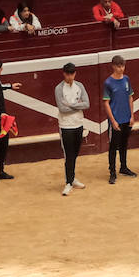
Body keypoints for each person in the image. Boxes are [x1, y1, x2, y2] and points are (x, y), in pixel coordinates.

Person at [54, 61, 88, 196]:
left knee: (75, 153)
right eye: (68, 74)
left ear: (75, 74)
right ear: (64, 74)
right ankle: (68, 182)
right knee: (69, 155)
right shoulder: (59, 88)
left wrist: (71, 105)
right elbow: (62, 109)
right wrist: (77, 104)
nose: (70, 77)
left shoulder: (80, 86)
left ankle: (72, 179)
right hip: (66, 125)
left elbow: (87, 104)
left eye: (72, 74)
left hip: (78, 124)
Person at [102, 54, 134, 184]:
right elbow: (106, 103)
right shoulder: (108, 82)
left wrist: (132, 115)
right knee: (113, 146)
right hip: (116, 120)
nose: (121, 69)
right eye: (119, 66)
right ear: (113, 66)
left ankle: (123, 167)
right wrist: (113, 121)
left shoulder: (126, 79)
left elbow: (130, 97)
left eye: (123, 66)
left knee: (124, 144)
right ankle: (112, 172)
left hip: (126, 117)